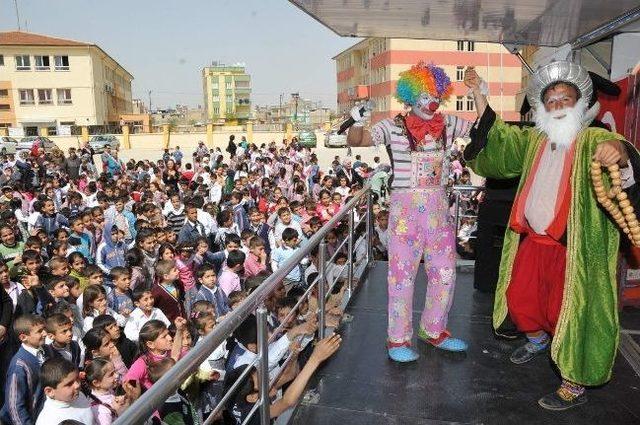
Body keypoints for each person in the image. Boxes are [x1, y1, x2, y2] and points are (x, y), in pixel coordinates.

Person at [463, 61, 640, 409]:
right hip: (532, 243)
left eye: (566, 99)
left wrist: (618, 158)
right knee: (521, 301)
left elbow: (624, 154)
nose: (558, 105)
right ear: (544, 108)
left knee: (573, 315)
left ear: (579, 105)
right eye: (552, 100)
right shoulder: (534, 140)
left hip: (575, 251)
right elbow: (499, 146)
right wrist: (479, 95)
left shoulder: (596, 139)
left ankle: (574, 383)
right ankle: (539, 340)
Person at [347, 62, 471, 362]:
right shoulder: (392, 126)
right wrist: (356, 120)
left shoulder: (450, 124)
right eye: (425, 93)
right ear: (411, 95)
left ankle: (434, 330)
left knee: (444, 272)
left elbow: (483, 130)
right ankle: (398, 339)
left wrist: (478, 92)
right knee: (401, 275)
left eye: (435, 94)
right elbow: (358, 140)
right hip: (405, 214)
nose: (431, 100)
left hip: (439, 211)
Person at [0, 314, 47, 425]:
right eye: (39, 331)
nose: (45, 333)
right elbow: (15, 405)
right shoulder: (19, 366)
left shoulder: (45, 351)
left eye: (44, 329)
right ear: (23, 337)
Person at [36, 357, 93, 425]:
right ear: (50, 391)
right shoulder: (48, 421)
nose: (77, 385)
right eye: (69, 384)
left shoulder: (79, 395)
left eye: (77, 379)